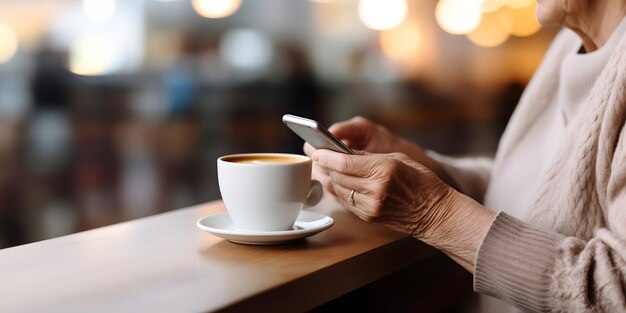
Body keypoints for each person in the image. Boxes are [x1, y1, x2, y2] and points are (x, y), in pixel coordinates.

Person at [305, 0, 626, 312]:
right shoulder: (566, 46)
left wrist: (431, 211)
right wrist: (421, 166)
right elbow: (536, 187)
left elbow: (615, 290)